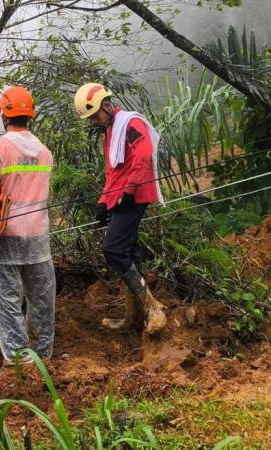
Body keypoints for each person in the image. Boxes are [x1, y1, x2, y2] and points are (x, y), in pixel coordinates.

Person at [0, 86, 56, 366]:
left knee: (6, 300)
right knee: (41, 298)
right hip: (38, 235)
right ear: (31, 115)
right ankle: (43, 355)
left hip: (5, 236)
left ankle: (19, 362)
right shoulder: (44, 152)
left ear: (3, 115)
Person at [74, 82, 167, 334]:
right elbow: (112, 173)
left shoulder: (131, 123)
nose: (93, 121)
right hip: (121, 197)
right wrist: (103, 203)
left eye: (94, 116)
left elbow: (143, 155)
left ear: (106, 105)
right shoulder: (111, 132)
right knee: (130, 254)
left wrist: (128, 192)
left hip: (134, 197)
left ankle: (153, 308)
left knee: (112, 249)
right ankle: (134, 318)